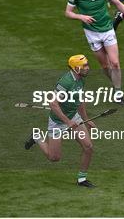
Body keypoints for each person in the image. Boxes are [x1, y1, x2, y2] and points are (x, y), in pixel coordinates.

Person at [65, 0, 124, 103]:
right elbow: (68, 13)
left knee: (115, 63)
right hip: (92, 34)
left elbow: (118, 3)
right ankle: (116, 84)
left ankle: (118, 92)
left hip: (107, 30)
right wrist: (81, 16)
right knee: (105, 67)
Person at [24, 55, 97, 187]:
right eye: (84, 66)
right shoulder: (66, 83)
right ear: (75, 69)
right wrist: (68, 122)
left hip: (74, 116)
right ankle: (37, 137)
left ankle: (81, 179)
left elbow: (79, 101)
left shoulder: (80, 79)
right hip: (58, 121)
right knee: (54, 158)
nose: (88, 68)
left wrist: (86, 119)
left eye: (87, 65)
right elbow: (53, 104)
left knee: (88, 147)